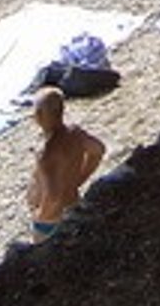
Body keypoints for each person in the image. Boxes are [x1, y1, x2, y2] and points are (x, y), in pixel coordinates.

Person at [26, 86, 107, 240]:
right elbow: (98, 149)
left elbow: (53, 195)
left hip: (50, 222)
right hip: (73, 204)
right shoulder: (75, 133)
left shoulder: (47, 153)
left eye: (35, 111)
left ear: (40, 115)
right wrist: (80, 178)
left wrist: (41, 216)